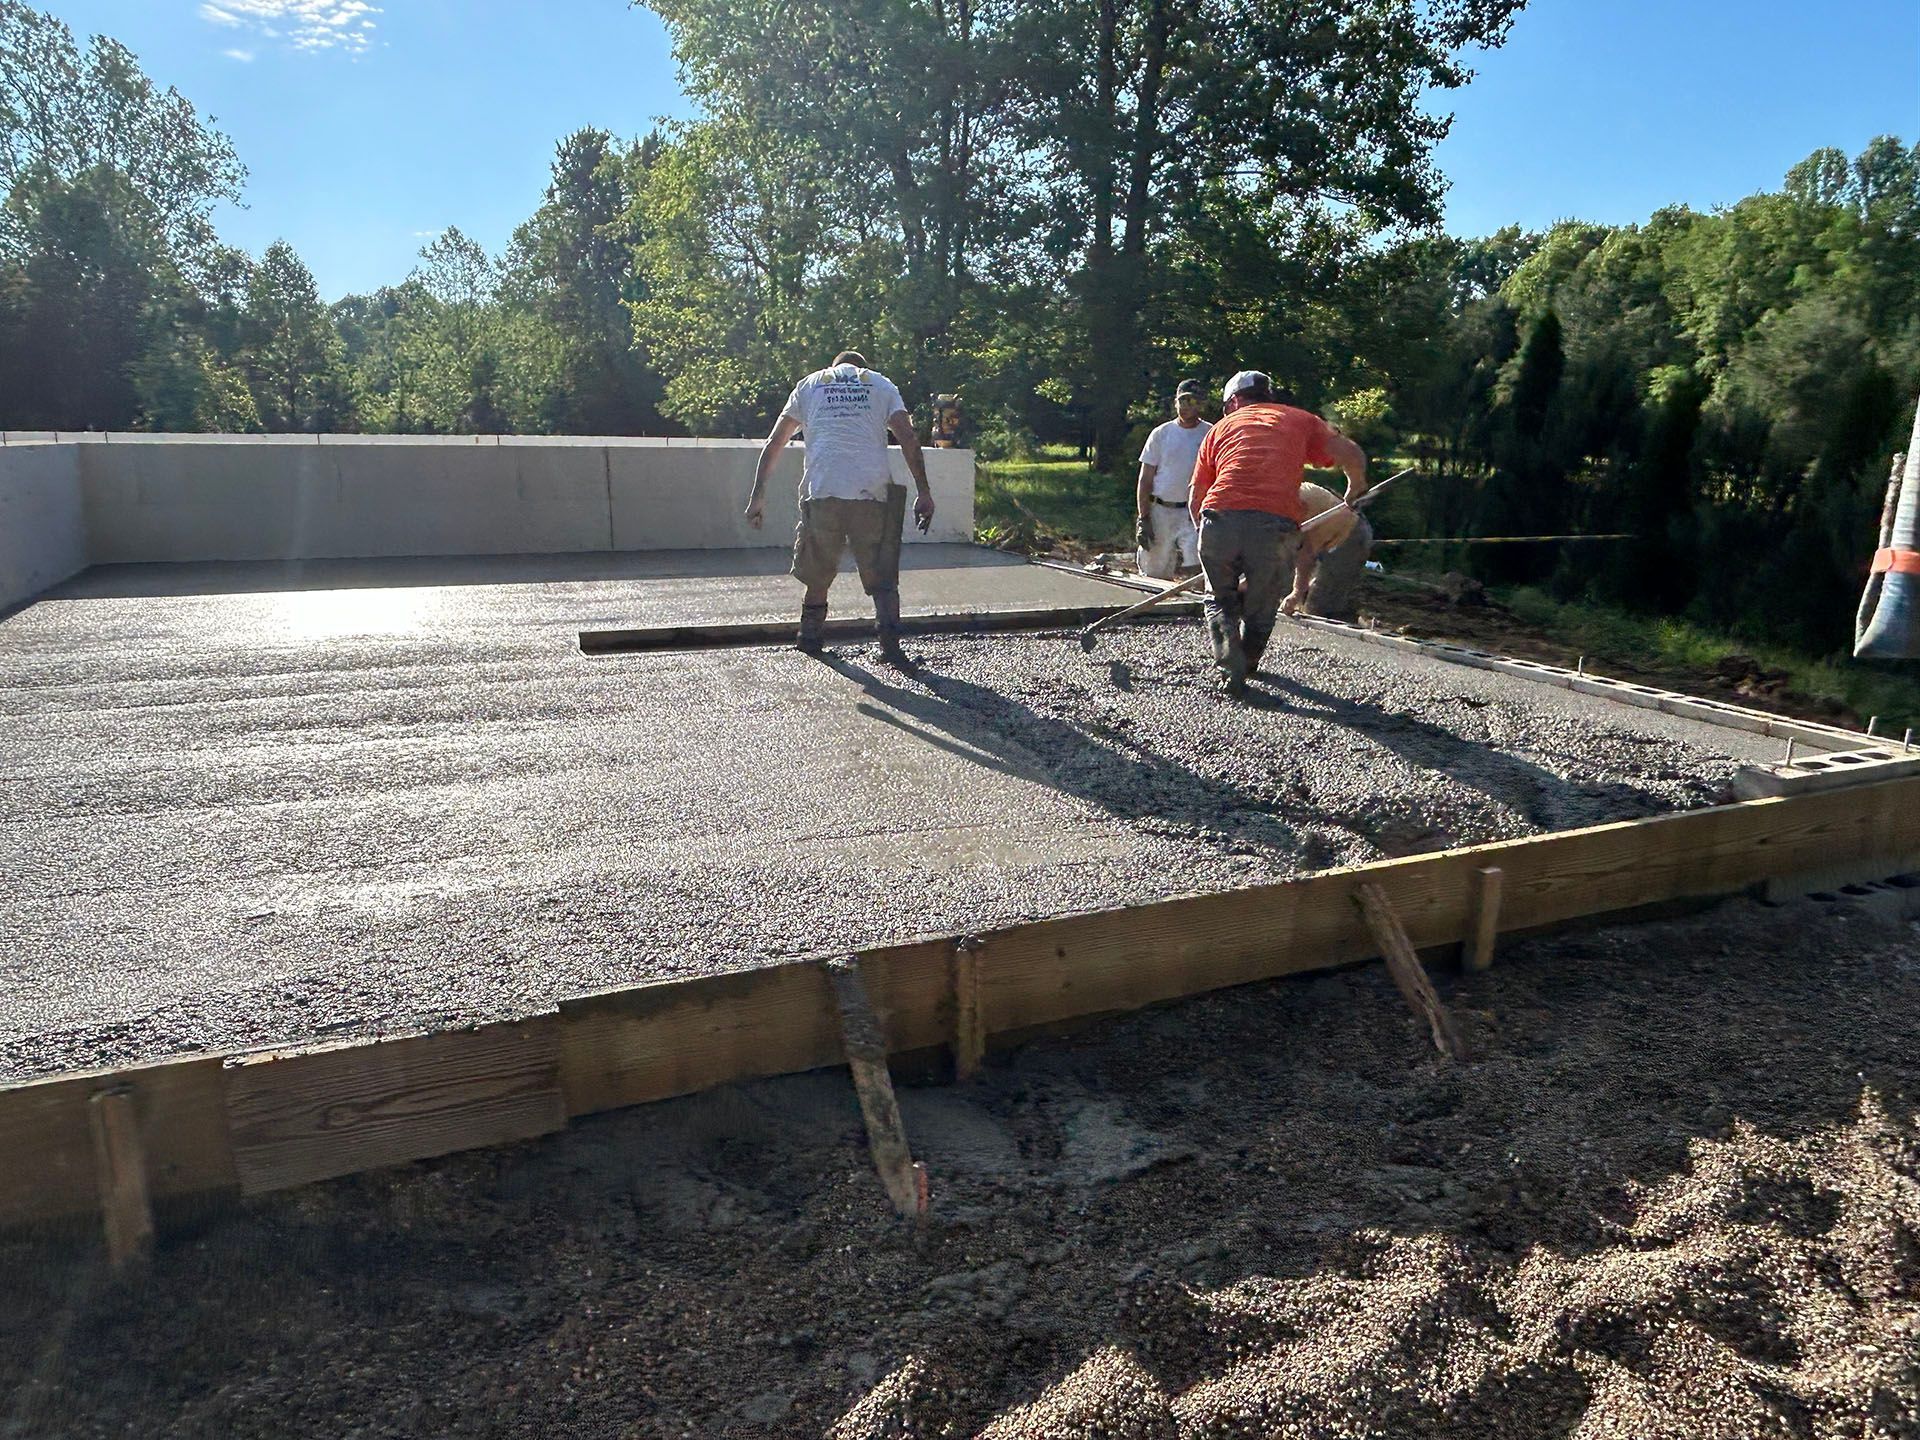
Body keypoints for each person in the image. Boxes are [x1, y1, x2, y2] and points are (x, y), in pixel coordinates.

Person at [745, 350, 934, 661]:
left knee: (817, 572)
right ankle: (890, 648)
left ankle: (809, 639)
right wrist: (924, 492)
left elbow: (774, 442)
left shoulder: (809, 385)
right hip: (871, 495)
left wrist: (757, 495)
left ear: (833, 367)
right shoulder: (881, 385)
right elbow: (909, 439)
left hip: (823, 492)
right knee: (882, 575)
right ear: (863, 368)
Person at [1188, 371, 1368, 693]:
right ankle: (1249, 663)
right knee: (1264, 601)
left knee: (1218, 598)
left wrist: (1208, 535)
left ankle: (1231, 662)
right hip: (1275, 525)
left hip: (1219, 516)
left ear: (1233, 401)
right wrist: (1355, 488)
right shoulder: (1300, 420)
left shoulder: (1218, 430)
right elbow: (1351, 454)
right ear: (1268, 397)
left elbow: (1195, 498)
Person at [1135, 379, 1210, 580]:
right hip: (1160, 509)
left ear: (1201, 405)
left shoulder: (1210, 434)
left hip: (1193, 512)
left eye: (1192, 401)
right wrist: (1143, 517)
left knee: (1198, 568)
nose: (1185, 407)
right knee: (1154, 570)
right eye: (1182, 401)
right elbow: (1145, 478)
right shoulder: (1161, 434)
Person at [1281, 479, 1375, 622]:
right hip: (1320, 538)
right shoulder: (1260, 506)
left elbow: (1306, 555)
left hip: (1349, 537)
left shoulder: (1294, 503)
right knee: (1282, 588)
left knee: (1318, 605)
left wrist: (1297, 593)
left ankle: (1336, 634)